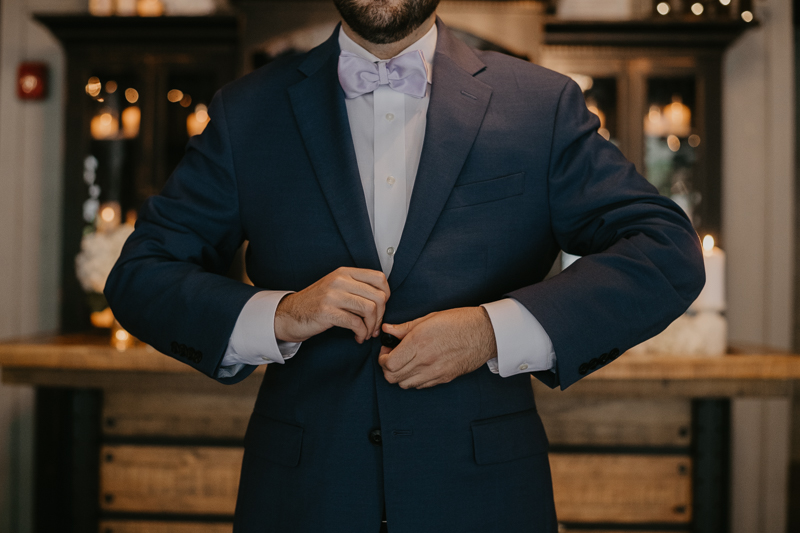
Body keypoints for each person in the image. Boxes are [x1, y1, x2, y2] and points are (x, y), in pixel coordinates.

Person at [105, 1, 705, 531]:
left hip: (484, 502)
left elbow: (664, 248)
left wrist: (491, 332)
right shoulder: (246, 111)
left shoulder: (541, 106)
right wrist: (281, 315)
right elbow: (141, 275)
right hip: (301, 501)